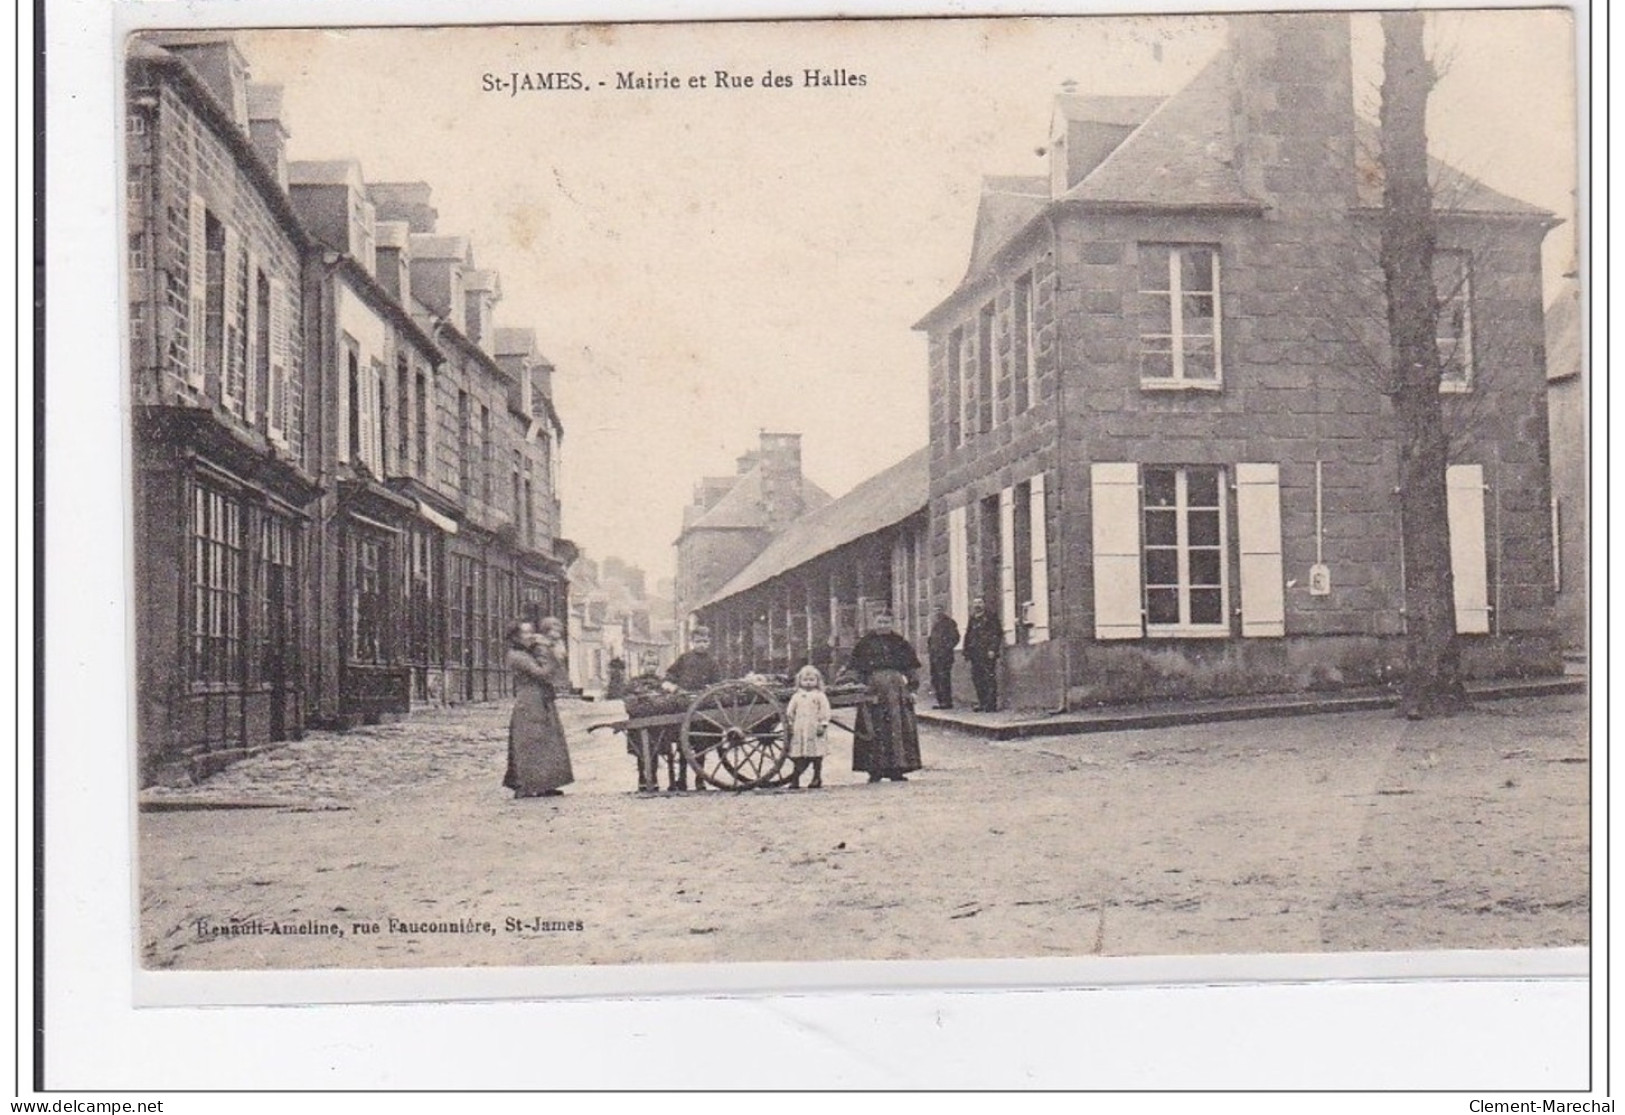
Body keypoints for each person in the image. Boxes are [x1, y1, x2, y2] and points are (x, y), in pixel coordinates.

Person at [503, 619, 574, 798]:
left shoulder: (528, 652)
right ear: (515, 637)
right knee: (530, 743)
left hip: (540, 698)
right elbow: (541, 673)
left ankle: (545, 784)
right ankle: (526, 785)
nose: (530, 636)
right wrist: (554, 657)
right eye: (525, 633)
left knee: (546, 740)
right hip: (529, 701)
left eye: (531, 632)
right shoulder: (517, 656)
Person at [849, 611, 922, 783]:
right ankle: (874, 770)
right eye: (880, 622)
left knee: (897, 729)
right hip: (873, 689)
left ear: (892, 623)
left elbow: (911, 668)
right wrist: (860, 688)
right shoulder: (865, 643)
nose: (883, 625)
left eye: (887, 622)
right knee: (873, 728)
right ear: (874, 623)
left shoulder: (900, 642)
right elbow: (856, 669)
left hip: (897, 691)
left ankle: (897, 769)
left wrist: (912, 689)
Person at [660, 626, 724, 791]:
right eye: (698, 641)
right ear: (692, 643)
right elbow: (670, 675)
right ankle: (682, 779)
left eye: (704, 641)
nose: (701, 644)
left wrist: (711, 689)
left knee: (701, 745)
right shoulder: (684, 658)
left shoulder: (712, 661)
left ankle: (700, 779)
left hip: (703, 706)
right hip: (684, 704)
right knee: (683, 745)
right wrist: (672, 686)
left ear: (709, 642)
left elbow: (718, 682)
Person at [784, 664, 833, 790]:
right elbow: (790, 712)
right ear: (799, 681)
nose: (808, 683)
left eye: (812, 680)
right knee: (798, 755)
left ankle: (817, 777)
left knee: (817, 755)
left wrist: (823, 724)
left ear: (817, 681)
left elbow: (825, 711)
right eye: (805, 680)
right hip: (800, 730)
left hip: (814, 729)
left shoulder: (819, 696)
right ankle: (795, 779)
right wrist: (790, 724)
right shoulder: (796, 696)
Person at [962, 597, 1002, 713]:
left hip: (987, 652)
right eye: (975, 603)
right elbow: (968, 635)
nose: (977, 605)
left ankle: (991, 704)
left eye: (979, 602)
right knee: (977, 678)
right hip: (975, 653)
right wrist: (966, 651)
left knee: (989, 677)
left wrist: (992, 649)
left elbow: (997, 633)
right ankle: (982, 702)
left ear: (984, 604)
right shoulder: (973, 618)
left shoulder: (991, 617)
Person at [926, 603, 961, 709]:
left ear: (943, 611)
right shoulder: (935, 624)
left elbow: (955, 637)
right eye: (935, 610)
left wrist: (946, 648)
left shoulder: (949, 623)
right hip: (934, 656)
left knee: (944, 678)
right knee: (936, 679)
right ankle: (940, 701)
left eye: (939, 610)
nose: (937, 612)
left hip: (944, 656)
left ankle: (947, 702)